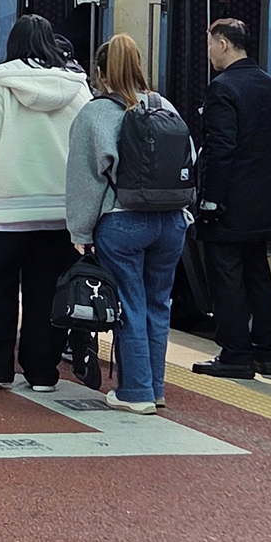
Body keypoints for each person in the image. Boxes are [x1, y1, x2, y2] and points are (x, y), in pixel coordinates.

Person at [0, 14, 91, 392]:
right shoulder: (76, 87)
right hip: (59, 209)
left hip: (8, 209)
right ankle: (43, 372)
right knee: (47, 290)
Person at [67, 34, 189, 413]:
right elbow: (189, 159)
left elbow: (86, 180)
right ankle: (155, 388)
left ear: (100, 71)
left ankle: (135, 392)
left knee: (130, 305)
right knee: (158, 304)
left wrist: (80, 231)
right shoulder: (164, 105)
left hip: (123, 224)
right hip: (171, 222)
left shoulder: (95, 113)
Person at [191, 18, 271, 379]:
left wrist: (210, 201)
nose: (209, 52)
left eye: (210, 44)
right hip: (264, 200)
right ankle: (265, 353)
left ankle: (235, 354)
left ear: (223, 44)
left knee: (227, 277)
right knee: (258, 273)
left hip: (229, 203)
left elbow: (220, 150)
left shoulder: (223, 89)